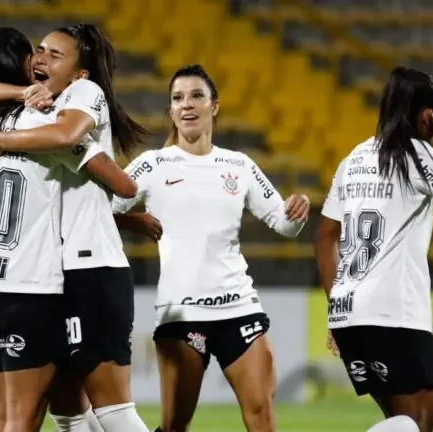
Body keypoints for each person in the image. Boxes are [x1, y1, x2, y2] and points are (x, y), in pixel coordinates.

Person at [0, 23, 151, 432]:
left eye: (55, 55)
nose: (41, 59)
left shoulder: (83, 95)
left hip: (92, 269)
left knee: (112, 410)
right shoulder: (38, 113)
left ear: (80, 72)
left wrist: (1, 139)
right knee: (67, 406)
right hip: (56, 274)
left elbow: (77, 142)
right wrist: (23, 97)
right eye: (39, 50)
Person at [112, 64, 310, 432]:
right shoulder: (152, 164)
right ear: (171, 110)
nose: (186, 104)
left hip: (238, 307)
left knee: (262, 415)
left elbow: (283, 223)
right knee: (175, 426)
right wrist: (132, 221)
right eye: (178, 98)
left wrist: (297, 212)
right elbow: (99, 209)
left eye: (196, 96)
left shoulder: (239, 165)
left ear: (214, 106)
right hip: (182, 313)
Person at [314, 67, 433, 432]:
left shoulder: (353, 159)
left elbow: (324, 237)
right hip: (393, 315)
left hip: (349, 315)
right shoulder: (415, 154)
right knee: (419, 421)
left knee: (401, 423)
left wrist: (337, 301)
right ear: (427, 115)